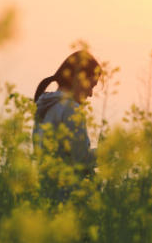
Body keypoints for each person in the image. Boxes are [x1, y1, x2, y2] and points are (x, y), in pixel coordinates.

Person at [32, 50, 102, 201]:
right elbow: (82, 159)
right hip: (67, 200)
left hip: (46, 196)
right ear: (78, 77)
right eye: (91, 85)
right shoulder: (70, 108)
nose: (90, 93)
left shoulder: (44, 106)